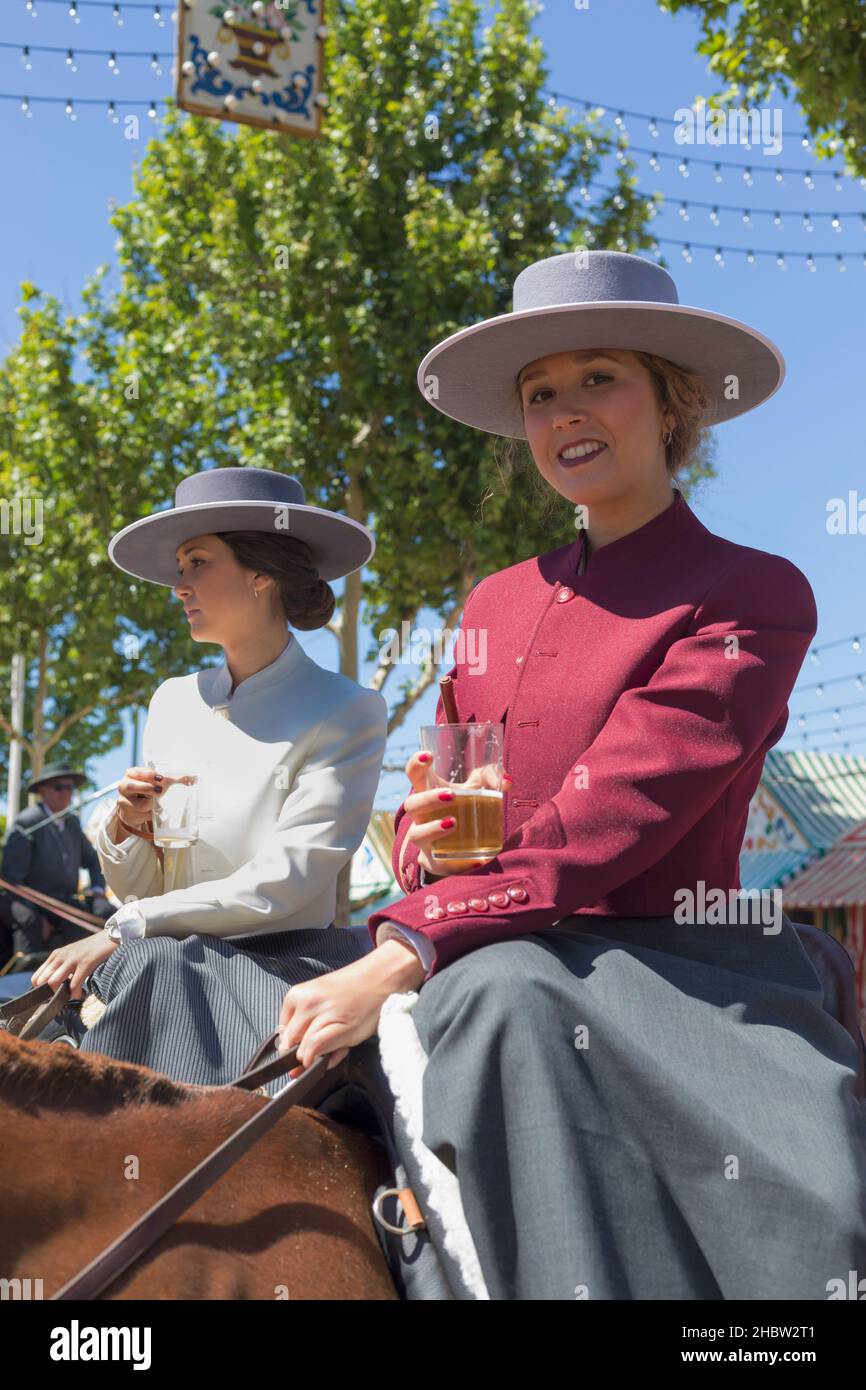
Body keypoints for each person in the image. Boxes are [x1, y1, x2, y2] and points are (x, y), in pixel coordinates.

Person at [270, 250, 866, 1299]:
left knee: (507, 999)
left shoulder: (752, 592)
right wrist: (420, 838)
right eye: (539, 392)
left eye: (597, 377)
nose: (563, 412)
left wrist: (405, 947)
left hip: (673, 958)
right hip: (477, 935)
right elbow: (432, 805)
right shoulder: (488, 604)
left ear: (671, 404)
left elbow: (611, 822)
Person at [32, 466, 396, 1095]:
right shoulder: (170, 701)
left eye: (196, 562)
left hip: (278, 963)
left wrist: (130, 926)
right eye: (179, 567)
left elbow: (285, 882)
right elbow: (139, 886)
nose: (179, 586)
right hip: (151, 953)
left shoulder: (347, 709)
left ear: (262, 573)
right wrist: (128, 829)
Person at [1, 763, 112, 965]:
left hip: (65, 902)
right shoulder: (27, 823)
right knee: (29, 920)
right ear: (43, 791)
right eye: (59, 787)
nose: (66, 793)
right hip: (35, 904)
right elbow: (12, 880)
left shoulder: (72, 823)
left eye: (70, 787)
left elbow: (93, 860)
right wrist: (35, 914)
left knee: (105, 911)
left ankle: (90, 977)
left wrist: (97, 891)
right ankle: (26, 984)